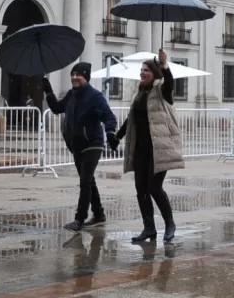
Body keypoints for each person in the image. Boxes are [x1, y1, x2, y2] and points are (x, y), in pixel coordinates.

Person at [109, 50, 184, 243]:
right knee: (141, 189)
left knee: (154, 187)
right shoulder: (139, 92)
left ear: (155, 73)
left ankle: (169, 223)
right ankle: (149, 228)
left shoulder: (161, 90)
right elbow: (131, 119)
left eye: (146, 70)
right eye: (141, 70)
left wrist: (165, 65)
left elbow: (170, 84)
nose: (142, 73)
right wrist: (118, 136)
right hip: (140, 148)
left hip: (159, 148)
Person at [41, 62, 118, 232]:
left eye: (79, 75)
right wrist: (48, 91)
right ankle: (99, 215)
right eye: (73, 74)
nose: (75, 77)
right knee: (89, 180)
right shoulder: (71, 95)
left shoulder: (95, 96)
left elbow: (109, 116)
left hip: (93, 143)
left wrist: (111, 133)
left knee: (85, 181)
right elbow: (56, 109)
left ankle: (79, 218)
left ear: (86, 77)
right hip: (76, 144)